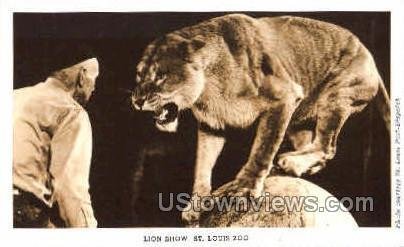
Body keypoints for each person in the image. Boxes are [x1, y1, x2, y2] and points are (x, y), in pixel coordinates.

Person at [13, 54, 99, 228]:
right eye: (94, 80)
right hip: (22, 216)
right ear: (82, 76)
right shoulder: (71, 112)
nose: (94, 89)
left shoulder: (14, 96)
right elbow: (70, 192)